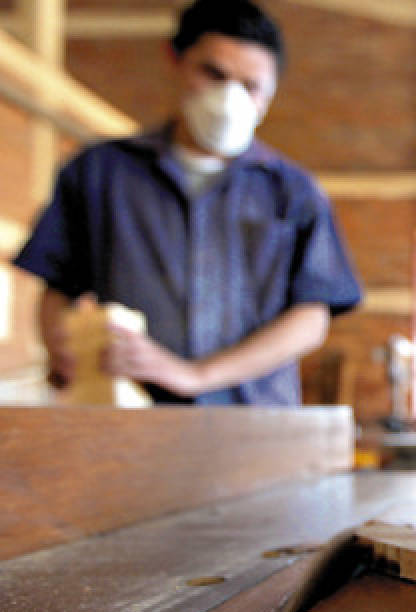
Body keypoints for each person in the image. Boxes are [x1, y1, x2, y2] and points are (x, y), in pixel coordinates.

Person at [15, 0, 361, 405]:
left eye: (250, 86)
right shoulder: (99, 173)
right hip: (133, 420)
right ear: (175, 60)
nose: (230, 96)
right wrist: (64, 350)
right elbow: (58, 287)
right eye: (213, 73)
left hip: (254, 426)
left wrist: (194, 376)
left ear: (270, 94)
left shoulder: (294, 190)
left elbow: (311, 318)